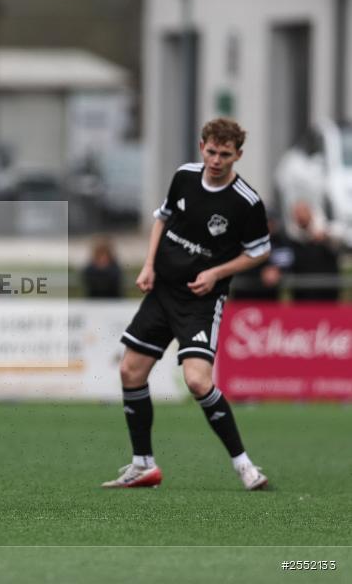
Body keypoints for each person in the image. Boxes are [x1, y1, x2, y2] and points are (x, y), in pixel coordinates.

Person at [104, 118, 271, 491]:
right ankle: (143, 465)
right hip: (162, 291)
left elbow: (259, 252)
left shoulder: (246, 202)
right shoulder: (184, 177)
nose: (216, 159)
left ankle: (244, 465)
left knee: (197, 381)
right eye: (211, 151)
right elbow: (161, 221)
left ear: (238, 155)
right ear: (202, 147)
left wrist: (217, 273)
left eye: (225, 154)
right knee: (131, 372)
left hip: (200, 301)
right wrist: (148, 265)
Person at [286, 200, 341, 302]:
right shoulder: (292, 237)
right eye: (296, 214)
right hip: (302, 293)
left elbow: (339, 240)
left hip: (326, 293)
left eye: (301, 212)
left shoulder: (326, 231)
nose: (299, 217)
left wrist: (325, 238)